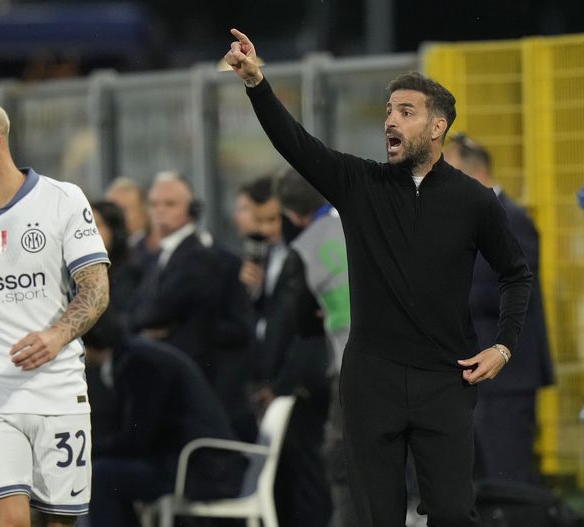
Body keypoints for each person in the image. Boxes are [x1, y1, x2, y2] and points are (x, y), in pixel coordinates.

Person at [225, 29, 532, 526]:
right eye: (389, 111)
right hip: (371, 379)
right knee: (374, 516)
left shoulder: (474, 201)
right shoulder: (359, 184)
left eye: (405, 112)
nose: (391, 120)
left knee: (453, 514)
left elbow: (516, 275)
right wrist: (257, 82)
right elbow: (296, 144)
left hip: (445, 379)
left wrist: (503, 346)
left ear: (437, 127)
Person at [0, 97, 110, 526]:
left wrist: (55, 336)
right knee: (5, 520)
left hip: (59, 394)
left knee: (58, 523)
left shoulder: (62, 201)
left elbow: (96, 288)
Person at [444, 133, 554, 483]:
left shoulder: (512, 219)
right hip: (476, 378)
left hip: (507, 378)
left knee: (510, 478)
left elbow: (515, 290)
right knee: (478, 483)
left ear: (475, 173)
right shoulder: (468, 220)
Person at [85, 306, 244, 527]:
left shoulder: (138, 362)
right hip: (187, 461)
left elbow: (136, 438)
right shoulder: (134, 354)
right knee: (104, 472)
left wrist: (86, 452)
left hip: (200, 468)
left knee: (100, 475)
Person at [128, 170, 257, 442]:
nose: (160, 211)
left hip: (206, 387)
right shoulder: (158, 258)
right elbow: (138, 313)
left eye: (170, 204)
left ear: (192, 209)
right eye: (154, 204)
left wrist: (156, 325)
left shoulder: (201, 257)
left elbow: (152, 312)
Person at [242, 173, 332, 527]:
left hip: (305, 384)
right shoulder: (273, 257)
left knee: (310, 479)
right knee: (286, 482)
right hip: (283, 380)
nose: (266, 229)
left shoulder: (308, 250)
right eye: (259, 220)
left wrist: (281, 384)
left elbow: (306, 332)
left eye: (272, 219)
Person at [276, 168, 356, 527]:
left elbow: (302, 322)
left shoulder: (304, 250)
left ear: (291, 213)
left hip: (350, 366)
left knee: (344, 460)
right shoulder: (360, 221)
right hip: (406, 357)